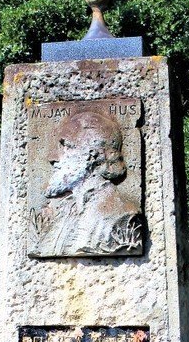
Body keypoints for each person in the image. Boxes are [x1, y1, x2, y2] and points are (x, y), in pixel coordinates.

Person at [30, 108, 142, 257]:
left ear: (92, 155)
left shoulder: (121, 215)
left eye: (65, 147)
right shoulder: (61, 210)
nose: (53, 157)